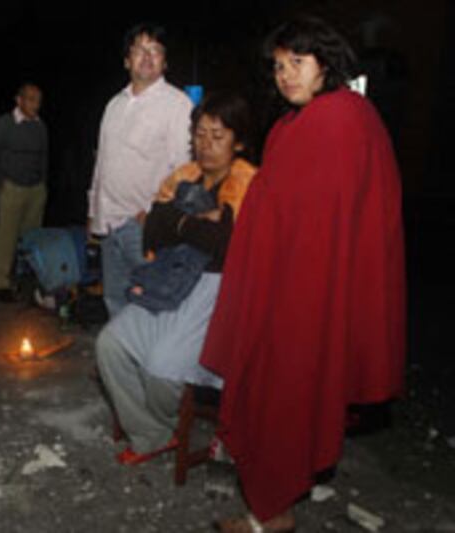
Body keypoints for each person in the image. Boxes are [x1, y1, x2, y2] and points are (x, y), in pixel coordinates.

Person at [199, 17, 406, 532]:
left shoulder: (336, 120)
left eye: (297, 63)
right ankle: (279, 500)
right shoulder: (303, 120)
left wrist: (284, 291)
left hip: (304, 292)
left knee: (284, 395)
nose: (285, 75)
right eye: (278, 66)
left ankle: (272, 514)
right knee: (284, 397)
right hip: (291, 283)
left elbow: (322, 228)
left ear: (326, 63)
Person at [96, 92, 257, 465]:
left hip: (215, 293)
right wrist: (197, 223)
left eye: (218, 136)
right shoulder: (184, 176)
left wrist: (179, 224)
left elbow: (228, 246)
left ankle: (160, 426)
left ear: (239, 142)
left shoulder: (250, 183)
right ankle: (153, 433)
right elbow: (153, 230)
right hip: (167, 281)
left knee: (162, 366)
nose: (206, 145)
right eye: (200, 134)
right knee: (109, 344)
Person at [87, 22, 193, 317]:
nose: (147, 57)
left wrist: (156, 216)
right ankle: (121, 364)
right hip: (110, 225)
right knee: (116, 305)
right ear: (126, 60)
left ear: (165, 62)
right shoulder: (114, 105)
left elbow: (185, 171)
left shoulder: (177, 105)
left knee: (153, 308)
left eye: (155, 51)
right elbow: (102, 162)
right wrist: (93, 212)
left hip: (145, 228)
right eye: (139, 50)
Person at [0, 83, 48, 302]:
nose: (35, 104)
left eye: (38, 100)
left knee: (32, 238)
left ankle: (28, 279)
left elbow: (44, 156)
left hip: (35, 190)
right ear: (19, 100)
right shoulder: (5, 124)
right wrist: (0, 180)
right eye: (30, 99)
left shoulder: (40, 126)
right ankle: (2, 283)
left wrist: (43, 182)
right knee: (7, 237)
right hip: (12, 188)